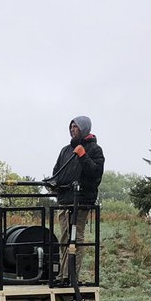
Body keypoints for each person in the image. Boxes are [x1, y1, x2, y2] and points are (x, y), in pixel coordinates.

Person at [50, 115, 104, 280]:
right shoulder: (66, 150)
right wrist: (53, 183)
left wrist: (82, 155)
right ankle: (62, 275)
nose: (73, 130)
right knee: (64, 238)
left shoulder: (94, 150)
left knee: (76, 238)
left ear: (84, 128)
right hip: (64, 201)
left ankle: (70, 276)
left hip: (81, 202)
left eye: (76, 127)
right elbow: (57, 172)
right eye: (71, 127)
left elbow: (95, 173)